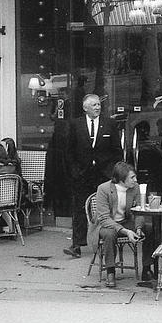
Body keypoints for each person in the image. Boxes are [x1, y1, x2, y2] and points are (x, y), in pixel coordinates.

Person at [64, 93, 122, 259]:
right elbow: (69, 152)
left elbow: (117, 150)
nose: (98, 107)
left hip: (104, 175)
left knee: (106, 209)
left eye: (98, 105)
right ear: (85, 108)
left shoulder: (109, 124)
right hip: (82, 175)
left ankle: (106, 243)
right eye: (94, 105)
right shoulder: (75, 125)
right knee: (80, 209)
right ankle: (77, 245)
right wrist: (75, 171)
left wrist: (113, 172)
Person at [86, 161, 147, 288]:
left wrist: (139, 228)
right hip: (105, 224)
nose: (135, 180)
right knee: (110, 233)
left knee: (150, 228)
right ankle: (110, 271)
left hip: (126, 221)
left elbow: (139, 212)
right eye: (132, 177)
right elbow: (104, 218)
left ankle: (147, 268)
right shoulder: (104, 189)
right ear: (121, 179)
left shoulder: (135, 188)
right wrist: (125, 231)